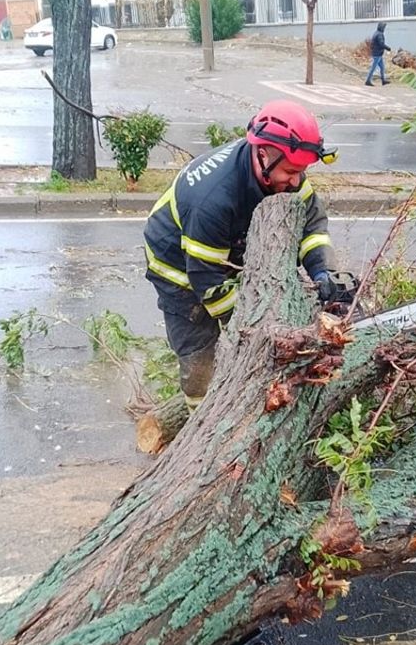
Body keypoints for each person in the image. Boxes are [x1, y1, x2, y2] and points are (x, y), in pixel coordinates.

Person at [142, 100, 357, 409]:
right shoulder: (213, 198)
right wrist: (253, 331)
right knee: (201, 356)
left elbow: (311, 225)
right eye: (290, 172)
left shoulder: (283, 169)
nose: (296, 181)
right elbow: (209, 283)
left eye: (302, 172)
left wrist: (323, 272)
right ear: (262, 154)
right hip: (179, 268)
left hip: (227, 251)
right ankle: (202, 424)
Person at [365, 21, 391, 86]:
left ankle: (383, 80)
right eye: (384, 27)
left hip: (377, 53)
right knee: (373, 68)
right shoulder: (379, 34)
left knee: (382, 67)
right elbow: (381, 44)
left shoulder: (376, 33)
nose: (384, 28)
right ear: (381, 27)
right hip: (377, 54)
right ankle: (368, 81)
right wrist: (388, 48)